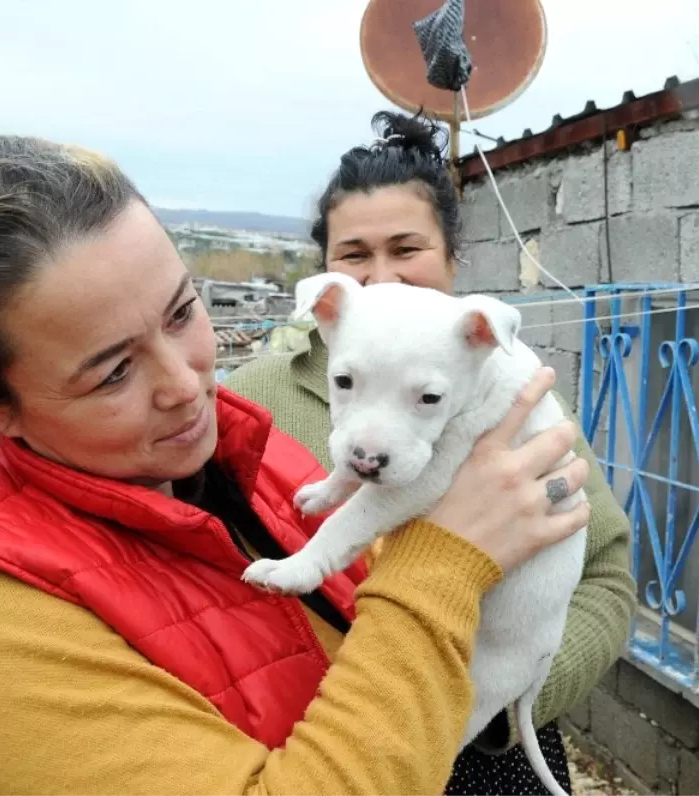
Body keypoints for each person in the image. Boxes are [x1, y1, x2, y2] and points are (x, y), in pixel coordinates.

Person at [0, 135, 593, 796]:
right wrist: (446, 564)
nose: (186, 382)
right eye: (112, 372)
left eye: (180, 312)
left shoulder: (249, 462)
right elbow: (418, 592)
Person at [224, 111, 636, 795]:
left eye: (406, 249)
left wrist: (505, 698)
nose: (381, 278)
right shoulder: (249, 399)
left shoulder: (515, 391)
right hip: (327, 750)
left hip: (487, 741)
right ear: (326, 280)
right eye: (354, 254)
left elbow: (608, 573)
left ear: (453, 259)